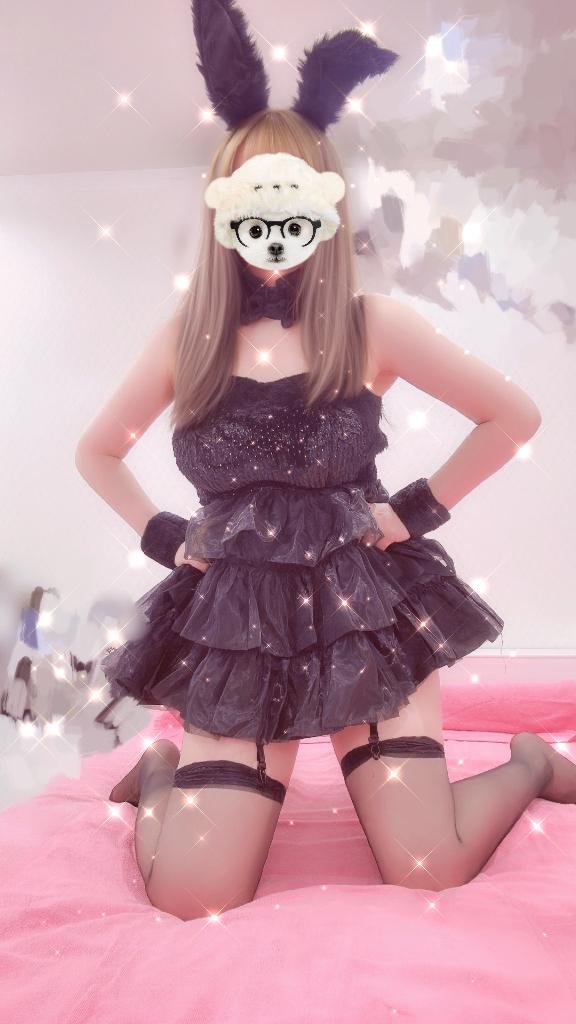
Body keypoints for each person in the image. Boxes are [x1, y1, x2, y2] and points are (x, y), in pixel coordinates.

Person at [75, 4, 576, 921]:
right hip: (242, 619)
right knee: (192, 895)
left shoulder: (370, 323)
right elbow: (97, 451)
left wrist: (409, 512)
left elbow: (513, 415)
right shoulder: (188, 339)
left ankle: (533, 763)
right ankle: (160, 772)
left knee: (429, 867)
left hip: (363, 609)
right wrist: (168, 536)